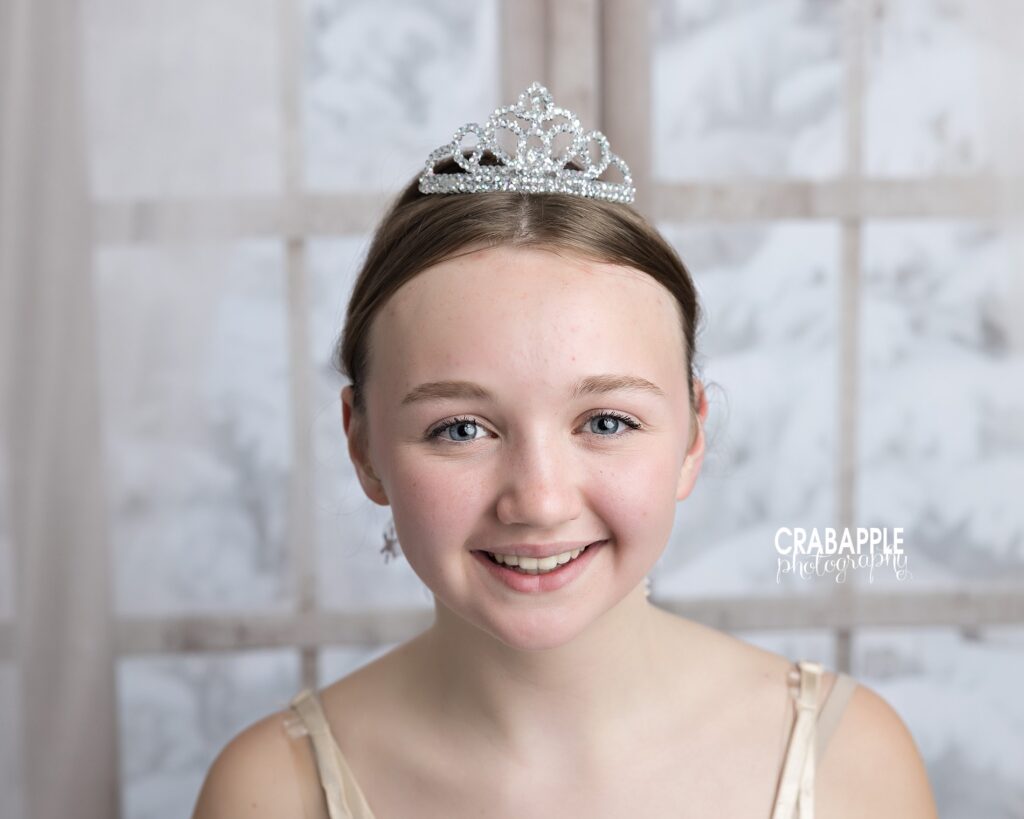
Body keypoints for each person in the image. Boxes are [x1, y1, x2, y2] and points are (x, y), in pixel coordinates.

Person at [192, 83, 938, 818]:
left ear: (693, 433)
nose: (540, 500)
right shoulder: (272, 794)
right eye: (461, 428)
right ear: (363, 444)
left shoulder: (848, 764)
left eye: (607, 422)